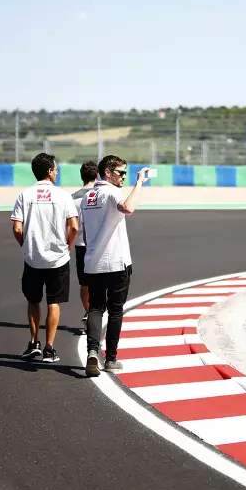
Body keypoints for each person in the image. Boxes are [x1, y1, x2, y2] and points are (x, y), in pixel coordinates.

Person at [80, 155, 151, 377]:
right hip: (116, 262)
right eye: (121, 173)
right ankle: (110, 359)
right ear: (107, 172)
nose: (124, 177)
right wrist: (139, 183)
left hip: (93, 262)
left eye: (126, 173)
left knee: (95, 308)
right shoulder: (112, 192)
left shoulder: (87, 196)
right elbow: (128, 208)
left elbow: (86, 231)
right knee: (115, 311)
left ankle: (92, 351)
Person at [10, 153, 78, 363]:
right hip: (58, 258)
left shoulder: (24, 195)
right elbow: (74, 226)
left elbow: (17, 227)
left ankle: (34, 343)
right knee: (54, 302)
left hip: (32, 258)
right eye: (56, 169)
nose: (57, 172)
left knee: (33, 301)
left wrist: (26, 245)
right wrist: (68, 246)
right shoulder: (64, 196)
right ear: (49, 171)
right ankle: (50, 347)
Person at [71, 161, 99, 332]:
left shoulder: (71, 197)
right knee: (101, 283)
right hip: (99, 245)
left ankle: (89, 312)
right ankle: (95, 315)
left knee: (85, 284)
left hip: (80, 245)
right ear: (97, 176)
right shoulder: (102, 195)